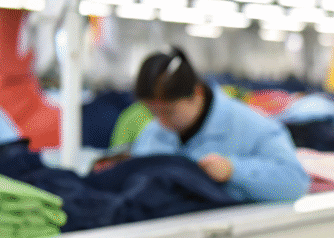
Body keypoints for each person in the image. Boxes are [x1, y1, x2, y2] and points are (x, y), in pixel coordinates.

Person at [130, 48, 309, 203]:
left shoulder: (253, 126)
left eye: (169, 111)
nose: (161, 121)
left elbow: (295, 183)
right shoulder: (151, 135)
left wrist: (234, 171)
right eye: (153, 112)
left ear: (197, 93)